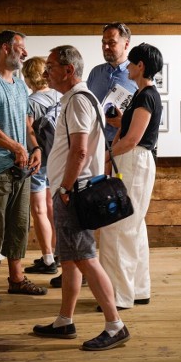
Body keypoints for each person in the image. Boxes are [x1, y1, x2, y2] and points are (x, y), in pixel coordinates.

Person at [32, 45, 130, 351]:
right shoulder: (80, 100)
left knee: (85, 257)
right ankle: (65, 320)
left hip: (72, 193)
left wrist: (65, 188)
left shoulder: (77, 101)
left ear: (68, 70)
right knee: (72, 259)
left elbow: (80, 150)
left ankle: (115, 326)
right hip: (74, 190)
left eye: (50, 67)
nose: (45, 73)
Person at [49, 22, 137, 289]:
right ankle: (72, 304)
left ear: (125, 44)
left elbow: (80, 148)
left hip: (108, 157)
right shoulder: (96, 76)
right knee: (81, 248)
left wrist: (65, 187)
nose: (106, 47)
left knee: (97, 239)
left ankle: (112, 309)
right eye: (103, 42)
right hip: (93, 159)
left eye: (111, 42)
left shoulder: (132, 77)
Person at [0, 30, 48, 304]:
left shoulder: (18, 85)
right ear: (5, 48)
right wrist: (16, 148)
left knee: (19, 225)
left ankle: (16, 279)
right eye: (21, 48)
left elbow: (26, 123)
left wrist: (35, 147)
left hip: (22, 168)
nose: (25, 53)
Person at [99, 43, 164, 310]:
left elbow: (134, 139)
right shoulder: (144, 95)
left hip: (134, 158)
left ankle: (119, 297)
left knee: (121, 228)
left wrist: (105, 156)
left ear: (141, 67)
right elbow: (133, 130)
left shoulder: (146, 95)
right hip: (135, 160)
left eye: (131, 63)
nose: (126, 67)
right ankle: (138, 289)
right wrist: (121, 121)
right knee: (134, 227)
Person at [21, 57, 62, 275]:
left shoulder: (30, 102)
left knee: (38, 210)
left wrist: (34, 149)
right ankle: (58, 254)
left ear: (28, 77)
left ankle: (47, 259)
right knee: (52, 207)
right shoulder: (60, 96)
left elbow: (28, 131)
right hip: (57, 160)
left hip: (38, 160)